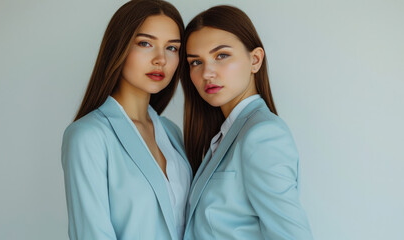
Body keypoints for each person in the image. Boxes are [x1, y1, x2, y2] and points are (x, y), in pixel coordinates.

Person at [61, 1, 192, 239]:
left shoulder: (172, 133)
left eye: (172, 48)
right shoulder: (88, 136)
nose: (160, 58)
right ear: (118, 47)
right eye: (145, 43)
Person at [181, 5, 313, 239]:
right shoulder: (228, 134)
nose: (207, 73)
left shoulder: (262, 135)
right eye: (195, 62)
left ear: (255, 60)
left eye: (221, 55)